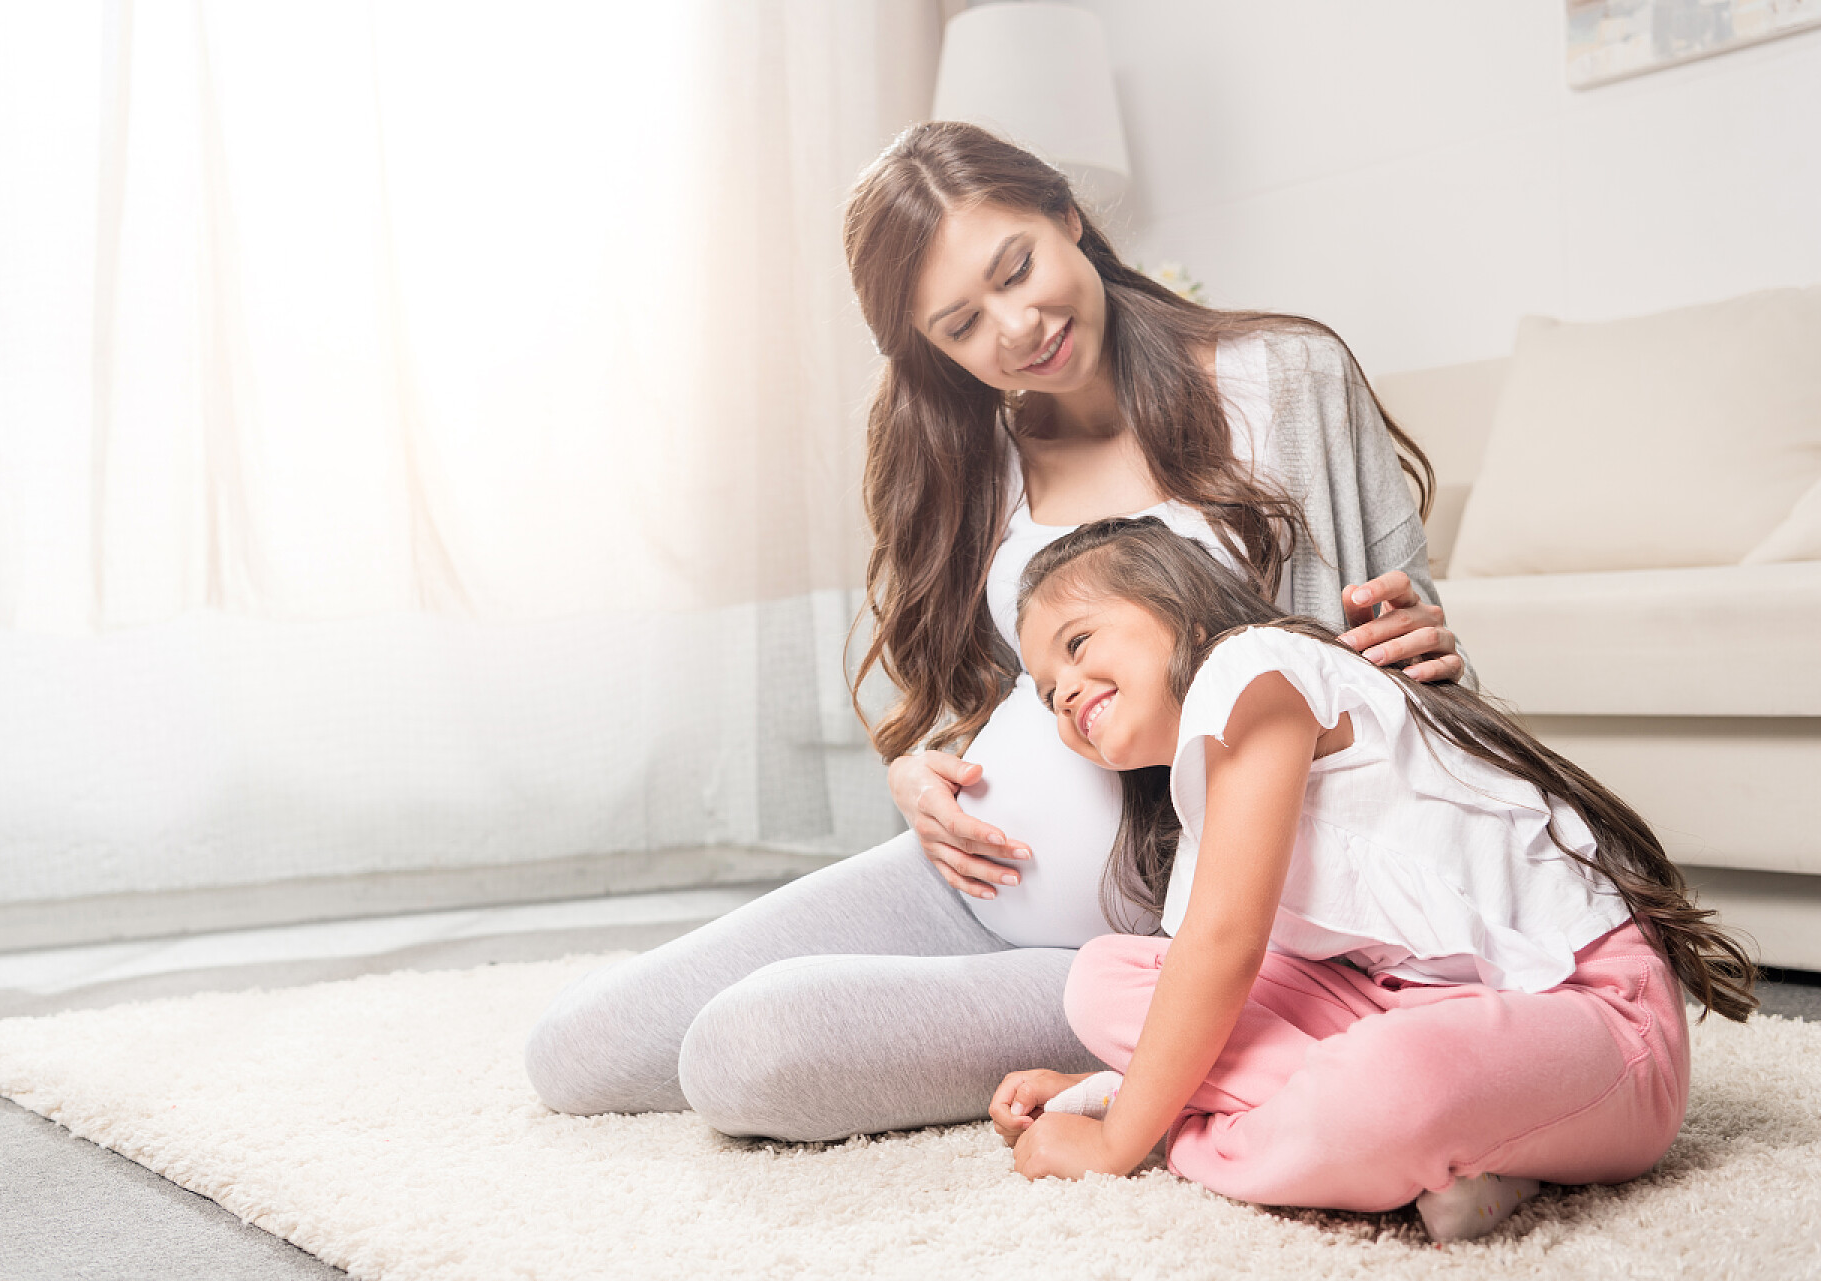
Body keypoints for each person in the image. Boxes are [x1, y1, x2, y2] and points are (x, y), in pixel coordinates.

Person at [525, 121, 1469, 1142]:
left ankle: (1177, 1037)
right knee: (572, 1052)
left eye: (1018, 269)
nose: (1016, 329)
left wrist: (1423, 666)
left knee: (744, 1055)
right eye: (963, 325)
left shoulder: (1287, 380)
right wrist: (920, 772)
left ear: (1066, 213)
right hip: (964, 880)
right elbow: (981, 694)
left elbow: (1407, 685)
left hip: (1155, 943)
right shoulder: (974, 449)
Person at [992, 517, 1755, 1241]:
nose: (1063, 691)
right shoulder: (1201, 811)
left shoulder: (1251, 667)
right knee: (1104, 975)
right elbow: (1210, 977)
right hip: (1411, 1005)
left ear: (1180, 611)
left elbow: (1227, 946)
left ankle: (1186, 1123)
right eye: (1046, 686)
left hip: (1594, 1016)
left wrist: (1117, 1142)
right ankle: (1435, 1146)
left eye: (1078, 641)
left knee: (1391, 1081)